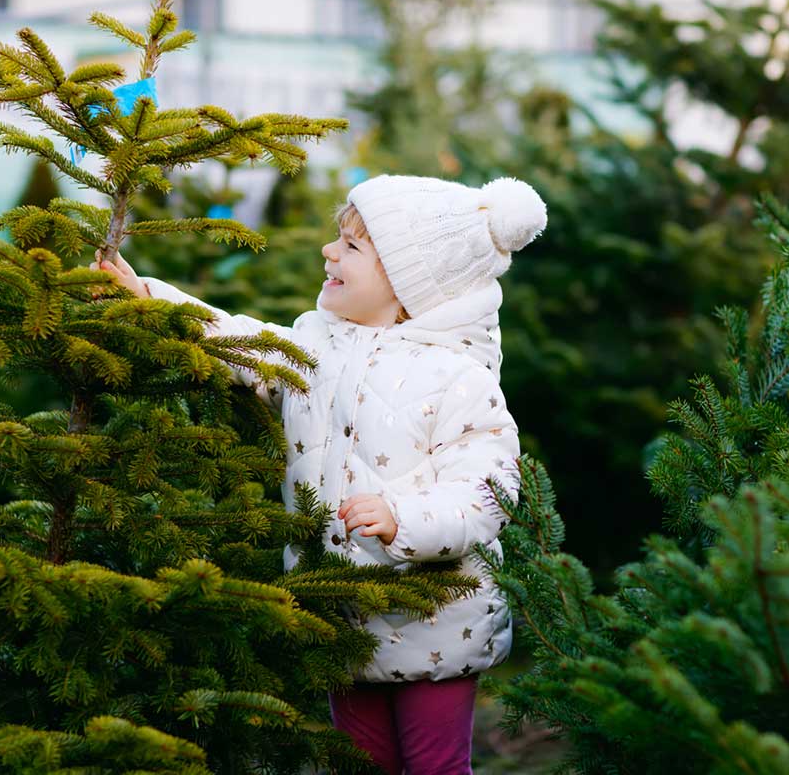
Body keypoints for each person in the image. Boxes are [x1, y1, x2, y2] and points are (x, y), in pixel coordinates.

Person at [93, 174, 547, 774]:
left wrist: (403, 519)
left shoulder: (459, 379)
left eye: (353, 247)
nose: (329, 252)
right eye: (337, 238)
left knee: (435, 766)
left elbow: (488, 492)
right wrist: (152, 300)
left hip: (434, 622)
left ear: (409, 284)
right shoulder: (318, 345)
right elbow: (242, 341)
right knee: (357, 763)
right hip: (339, 614)